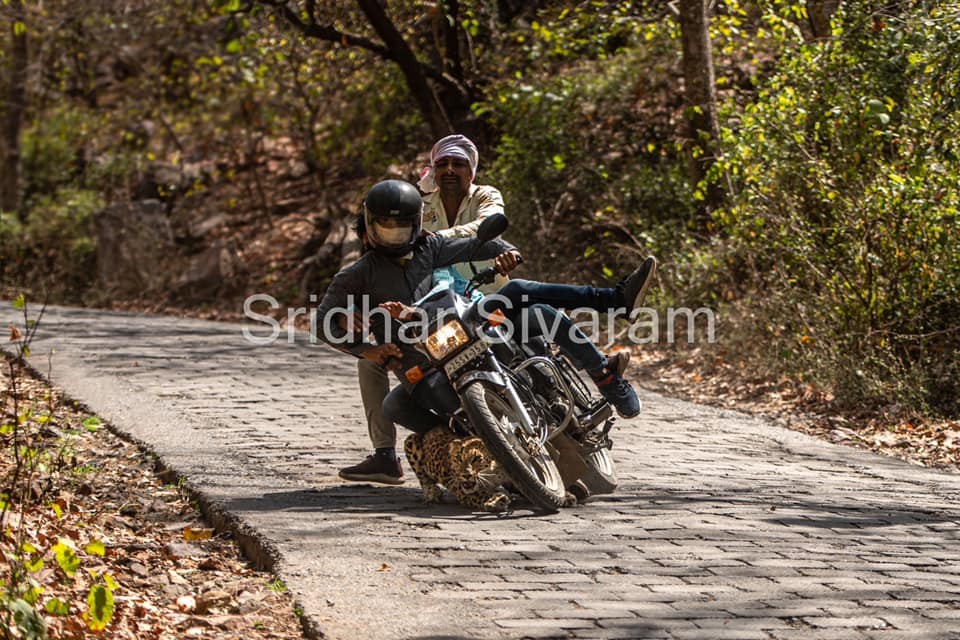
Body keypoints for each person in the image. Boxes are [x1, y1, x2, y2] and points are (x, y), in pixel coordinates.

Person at [315, 180, 655, 465]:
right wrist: (366, 350)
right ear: (369, 226)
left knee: (527, 300)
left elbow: (479, 246)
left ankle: (612, 310)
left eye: (400, 227)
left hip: (465, 328)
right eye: (385, 228)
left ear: (416, 224)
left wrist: (505, 251)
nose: (393, 235)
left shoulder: (428, 247)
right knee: (396, 405)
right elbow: (322, 323)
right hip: (423, 361)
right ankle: (468, 458)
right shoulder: (355, 276)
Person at [340, 134, 506, 485]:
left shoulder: (485, 197)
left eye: (458, 164)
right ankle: (386, 454)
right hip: (428, 305)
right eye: (442, 163)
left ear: (471, 171)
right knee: (371, 362)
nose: (449, 170)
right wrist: (356, 309)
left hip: (482, 297)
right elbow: (380, 257)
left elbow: (487, 227)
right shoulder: (415, 202)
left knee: (537, 323)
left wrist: (430, 241)